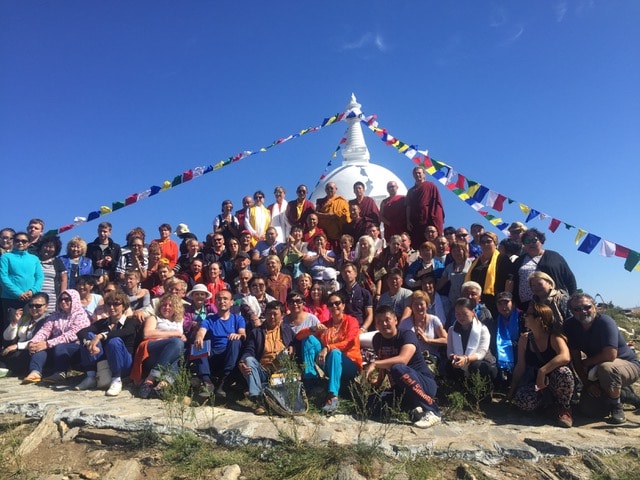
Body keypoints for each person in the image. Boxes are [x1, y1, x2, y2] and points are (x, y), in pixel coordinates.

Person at [564, 293, 640, 425]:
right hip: (596, 370)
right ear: (571, 311)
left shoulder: (605, 322)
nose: (583, 311)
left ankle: (616, 406)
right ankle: (624, 395)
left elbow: (610, 355)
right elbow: (576, 359)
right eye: (577, 309)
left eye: (587, 307)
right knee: (588, 410)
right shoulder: (570, 326)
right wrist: (587, 384)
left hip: (625, 365)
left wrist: (587, 362)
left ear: (594, 307)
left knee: (607, 367)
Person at [365, 305, 441, 428]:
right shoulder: (377, 339)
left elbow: (403, 360)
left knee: (397, 368)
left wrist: (374, 364)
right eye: (379, 321)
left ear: (395, 320)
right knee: (371, 403)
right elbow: (385, 363)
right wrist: (377, 384)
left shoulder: (406, 335)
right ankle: (414, 407)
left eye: (387, 320)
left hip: (423, 384)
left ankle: (432, 410)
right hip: (401, 388)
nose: (384, 324)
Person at [508, 302, 574, 428]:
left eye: (528, 314)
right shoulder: (524, 339)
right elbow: (520, 366)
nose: (524, 317)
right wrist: (512, 391)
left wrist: (542, 371)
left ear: (538, 319)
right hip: (535, 383)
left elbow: (565, 356)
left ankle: (564, 409)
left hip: (554, 381)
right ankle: (547, 406)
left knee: (563, 372)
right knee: (523, 401)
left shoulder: (554, 338)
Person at [75, 290, 139, 396]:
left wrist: (101, 336)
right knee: (88, 337)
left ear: (124, 306)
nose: (112, 307)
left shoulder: (131, 322)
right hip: (105, 361)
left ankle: (116, 380)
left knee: (114, 341)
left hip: (124, 362)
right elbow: (82, 332)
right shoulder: (103, 322)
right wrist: (89, 344)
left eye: (116, 304)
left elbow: (123, 332)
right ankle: (90, 376)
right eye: (109, 304)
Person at [238, 300, 295, 415]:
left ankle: (274, 401)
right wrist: (242, 362)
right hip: (263, 371)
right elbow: (249, 350)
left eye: (275, 314)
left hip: (281, 370)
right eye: (269, 314)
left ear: (282, 315)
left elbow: (295, 344)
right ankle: (259, 399)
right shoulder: (257, 332)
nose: (272, 317)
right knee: (248, 361)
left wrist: (293, 348)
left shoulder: (287, 330)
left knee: (284, 357)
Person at [22, 289, 91, 383]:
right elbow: (45, 330)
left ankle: (60, 373)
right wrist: (34, 342)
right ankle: (35, 372)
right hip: (54, 346)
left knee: (60, 347)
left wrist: (48, 343)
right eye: (61, 300)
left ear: (74, 300)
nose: (63, 302)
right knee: (39, 347)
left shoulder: (81, 315)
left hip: (76, 347)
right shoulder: (55, 315)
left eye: (67, 299)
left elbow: (72, 335)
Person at [131, 293, 186, 399]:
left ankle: (161, 387)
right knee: (177, 343)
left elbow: (180, 337)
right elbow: (147, 334)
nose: (167, 308)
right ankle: (150, 379)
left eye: (170, 305)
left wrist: (182, 337)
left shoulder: (179, 321)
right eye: (164, 305)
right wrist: (174, 334)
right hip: (152, 350)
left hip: (169, 353)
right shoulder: (154, 318)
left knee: (183, 350)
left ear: (176, 308)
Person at [193, 289, 246, 398]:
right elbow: (201, 331)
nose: (222, 301)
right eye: (219, 299)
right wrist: (199, 338)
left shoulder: (238, 318)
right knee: (197, 346)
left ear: (231, 302)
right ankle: (207, 383)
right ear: (215, 302)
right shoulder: (209, 319)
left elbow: (242, 333)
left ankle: (224, 382)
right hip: (213, 354)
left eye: (225, 299)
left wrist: (238, 335)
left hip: (229, 354)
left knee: (236, 341)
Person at [317, 291, 363, 414]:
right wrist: (312, 329)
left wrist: (327, 347)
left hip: (350, 363)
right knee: (309, 340)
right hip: (330, 364)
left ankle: (333, 396)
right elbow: (301, 336)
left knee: (335, 353)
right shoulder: (326, 325)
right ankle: (310, 378)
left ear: (343, 305)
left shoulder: (351, 321)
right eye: (330, 304)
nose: (334, 306)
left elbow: (349, 342)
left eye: (337, 303)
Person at [513, 228, 577, 311]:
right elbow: (512, 281)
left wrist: (574, 299)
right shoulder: (519, 261)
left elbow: (569, 278)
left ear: (541, 241)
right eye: (527, 241)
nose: (530, 243)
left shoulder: (555, 257)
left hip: (553, 302)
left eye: (534, 240)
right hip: (527, 305)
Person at [446, 297, 497, 385]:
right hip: (460, 361)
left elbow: (482, 353)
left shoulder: (483, 329)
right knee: (448, 365)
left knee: (476, 366)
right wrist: (453, 357)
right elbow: (450, 350)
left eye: (464, 314)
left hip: (481, 362)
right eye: (458, 314)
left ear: (473, 313)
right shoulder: (452, 330)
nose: (461, 317)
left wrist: (466, 359)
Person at [0, 231, 44, 331]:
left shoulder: (35, 259)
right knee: (10, 328)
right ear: (13, 242)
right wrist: (18, 293)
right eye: (17, 240)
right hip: (10, 299)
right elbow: (3, 277)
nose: (20, 243)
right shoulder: (6, 257)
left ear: (28, 243)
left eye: (24, 241)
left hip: (29, 299)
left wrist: (32, 291)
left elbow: (39, 277)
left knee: (26, 328)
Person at [464, 231, 513, 318]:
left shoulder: (502, 259)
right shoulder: (476, 261)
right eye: (482, 242)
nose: (485, 244)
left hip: (496, 302)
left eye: (488, 241)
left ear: (495, 243)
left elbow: (509, 279)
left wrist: (506, 299)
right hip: (477, 302)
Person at [1, 293, 49, 376]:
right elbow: (7, 337)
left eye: (38, 306)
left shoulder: (48, 320)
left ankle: (10, 369)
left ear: (46, 306)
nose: (34, 308)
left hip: (30, 350)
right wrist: (14, 322)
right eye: (31, 305)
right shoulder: (25, 318)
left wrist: (17, 346)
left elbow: (39, 341)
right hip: (15, 350)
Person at [284, 291, 326, 380]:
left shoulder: (312, 318)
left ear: (303, 303)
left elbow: (322, 335)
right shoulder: (283, 321)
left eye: (298, 301)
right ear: (287, 304)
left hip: (312, 350)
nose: (295, 304)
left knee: (308, 338)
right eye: (291, 302)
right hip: (294, 352)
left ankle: (309, 375)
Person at [399, 290, 447, 363]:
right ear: (411, 306)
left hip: (430, 358)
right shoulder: (405, 323)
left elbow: (446, 340)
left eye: (421, 304)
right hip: (411, 359)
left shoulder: (434, 320)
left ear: (427, 305)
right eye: (415, 304)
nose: (419, 307)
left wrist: (428, 340)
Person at [406, 166, 444, 248]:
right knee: (417, 244)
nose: (417, 175)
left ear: (424, 174)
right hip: (415, 221)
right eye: (415, 174)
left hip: (428, 220)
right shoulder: (411, 191)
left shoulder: (430, 186)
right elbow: (408, 206)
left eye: (419, 173)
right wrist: (408, 220)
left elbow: (436, 204)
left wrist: (435, 219)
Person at [494, 292, 524, 385]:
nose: (503, 306)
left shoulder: (522, 317)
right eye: (500, 303)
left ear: (513, 304)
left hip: (520, 349)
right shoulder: (496, 321)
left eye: (506, 302)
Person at [437, 241, 472, 309]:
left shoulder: (471, 263)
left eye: (459, 250)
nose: (456, 253)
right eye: (454, 251)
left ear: (464, 251)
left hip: (467, 300)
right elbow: (441, 283)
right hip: (453, 301)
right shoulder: (449, 267)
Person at [339, 262, 373, 332]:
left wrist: (363, 329)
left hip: (360, 328)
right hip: (344, 329)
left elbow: (369, 314)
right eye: (344, 272)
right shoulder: (339, 294)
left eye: (349, 271)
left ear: (355, 274)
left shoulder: (365, 293)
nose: (347, 274)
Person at [37, 235, 67, 313]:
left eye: (51, 247)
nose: (47, 249)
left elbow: (63, 279)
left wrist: (62, 296)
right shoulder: (34, 260)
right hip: (35, 298)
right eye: (45, 246)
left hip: (52, 299)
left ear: (56, 249)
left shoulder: (58, 262)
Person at [315, 182, 351, 247]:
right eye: (327, 188)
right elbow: (316, 215)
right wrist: (330, 216)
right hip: (324, 234)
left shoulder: (342, 201)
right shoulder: (320, 202)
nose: (329, 190)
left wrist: (328, 215)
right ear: (325, 190)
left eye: (331, 188)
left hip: (339, 233)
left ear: (336, 189)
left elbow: (345, 215)